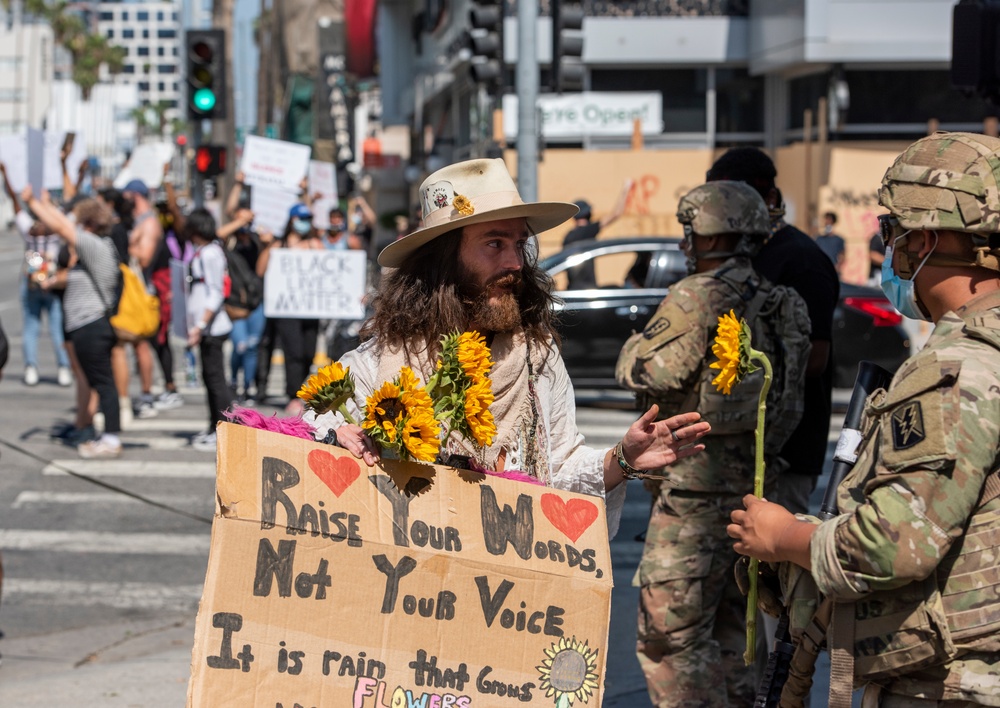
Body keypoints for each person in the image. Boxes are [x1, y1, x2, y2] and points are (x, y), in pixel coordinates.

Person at [728, 131, 1000, 706]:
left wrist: (784, 537)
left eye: (893, 233)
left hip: (948, 686)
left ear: (923, 239)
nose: (892, 254)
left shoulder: (957, 370)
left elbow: (894, 544)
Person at [308, 157, 711, 536]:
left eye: (519, 244)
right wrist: (338, 436)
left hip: (507, 598)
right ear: (444, 260)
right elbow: (308, 431)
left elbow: (562, 471)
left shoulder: (538, 358)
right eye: (494, 244)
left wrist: (622, 460)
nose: (515, 263)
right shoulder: (378, 362)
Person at [616, 182, 811, 707]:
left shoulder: (697, 295)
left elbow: (647, 369)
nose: (685, 245)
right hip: (754, 494)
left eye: (689, 234)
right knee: (731, 632)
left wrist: (637, 342)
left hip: (692, 495)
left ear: (705, 235)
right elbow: (791, 402)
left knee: (669, 637)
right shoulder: (783, 303)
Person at [707, 148, 840, 516]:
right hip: (737, 446)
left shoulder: (802, 259)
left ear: (767, 199)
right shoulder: (742, 252)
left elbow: (815, 358)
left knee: (771, 570)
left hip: (786, 452)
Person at [23, 186, 123, 459]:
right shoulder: (97, 247)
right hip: (86, 325)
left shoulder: (93, 244)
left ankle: (111, 438)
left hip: (92, 325)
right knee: (96, 382)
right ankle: (100, 432)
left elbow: (62, 227)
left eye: (79, 221)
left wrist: (36, 203)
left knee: (103, 383)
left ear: (87, 222)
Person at [1, 161, 72, 387]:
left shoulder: (29, 227)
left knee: (35, 327)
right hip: (49, 279)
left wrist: (8, 177)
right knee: (52, 326)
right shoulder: (53, 228)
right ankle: (60, 367)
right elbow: (68, 207)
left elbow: (15, 202)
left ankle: (36, 366)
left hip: (35, 279)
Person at [255, 203, 323, 413]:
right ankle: (293, 393)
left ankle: (299, 389)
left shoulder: (315, 244)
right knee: (292, 352)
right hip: (287, 309)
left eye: (307, 219)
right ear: (292, 220)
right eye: (300, 219)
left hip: (311, 308)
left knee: (309, 353)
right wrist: (269, 247)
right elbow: (260, 270)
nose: (304, 223)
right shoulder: (279, 244)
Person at [185, 208, 235, 453]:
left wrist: (200, 324)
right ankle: (214, 425)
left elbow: (216, 292)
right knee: (210, 378)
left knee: (216, 380)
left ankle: (225, 427)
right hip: (206, 328)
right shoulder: (205, 251)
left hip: (212, 328)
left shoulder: (210, 253)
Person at [120, 178, 163, 420]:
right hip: (129, 289)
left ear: (135, 196)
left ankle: (146, 394)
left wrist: (125, 244)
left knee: (141, 344)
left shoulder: (149, 223)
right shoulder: (138, 221)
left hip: (142, 290)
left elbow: (145, 258)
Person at [217, 207, 265, 404]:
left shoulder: (257, 241)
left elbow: (263, 265)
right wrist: (240, 222)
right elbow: (218, 235)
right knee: (241, 345)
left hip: (256, 303)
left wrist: (264, 240)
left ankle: (247, 386)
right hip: (235, 305)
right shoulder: (230, 244)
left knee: (253, 346)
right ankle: (234, 380)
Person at [561, 179, 633, 289]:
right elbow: (616, 214)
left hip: (572, 289)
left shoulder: (568, 236)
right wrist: (625, 189)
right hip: (586, 291)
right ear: (588, 214)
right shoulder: (587, 232)